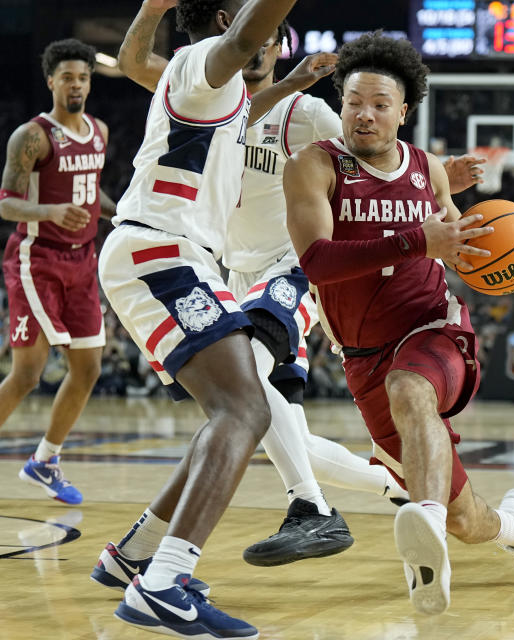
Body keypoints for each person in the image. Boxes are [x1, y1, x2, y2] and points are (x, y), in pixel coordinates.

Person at [104, 0, 488, 570]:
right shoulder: (222, 88)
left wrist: (426, 176)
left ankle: (307, 507)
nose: (257, 41)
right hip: (227, 270)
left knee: (245, 402)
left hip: (294, 266)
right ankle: (389, 488)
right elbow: (147, 66)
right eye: (247, 26)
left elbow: (367, 164)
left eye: (267, 35)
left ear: (279, 43)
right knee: (256, 417)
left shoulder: (308, 113)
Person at [283, 32, 514, 616]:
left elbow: (459, 250)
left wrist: (493, 248)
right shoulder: (313, 166)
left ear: (402, 113)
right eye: (354, 101)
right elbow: (317, 263)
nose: (365, 114)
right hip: (362, 356)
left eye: (380, 104)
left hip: (433, 328)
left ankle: (423, 526)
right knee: (467, 519)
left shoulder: (427, 169)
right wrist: (418, 239)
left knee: (411, 389)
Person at [95, 1, 301, 637]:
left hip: (172, 254)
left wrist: (295, 84)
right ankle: (163, 584)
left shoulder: (221, 94)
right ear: (221, 19)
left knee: (230, 410)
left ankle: (135, 556)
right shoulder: (201, 65)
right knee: (246, 410)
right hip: (163, 250)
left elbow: (242, 106)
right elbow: (244, 37)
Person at [0, 39, 116, 509]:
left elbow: (91, 194)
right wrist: (50, 210)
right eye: (67, 76)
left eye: (83, 77)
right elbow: (6, 203)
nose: (77, 84)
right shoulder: (32, 136)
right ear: (51, 81)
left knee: (88, 368)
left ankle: (45, 460)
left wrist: (119, 212)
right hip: (35, 258)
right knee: (28, 371)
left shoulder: (100, 131)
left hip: (83, 259)